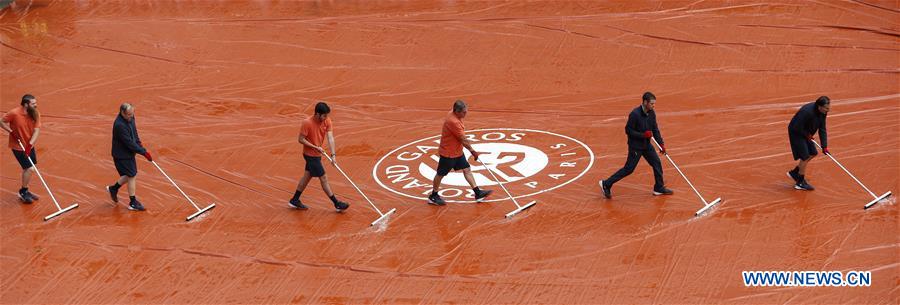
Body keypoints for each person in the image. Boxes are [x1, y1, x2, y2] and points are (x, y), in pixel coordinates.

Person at [600, 92, 674, 199]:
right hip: (636, 146)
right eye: (652, 104)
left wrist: (661, 144)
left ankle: (658, 187)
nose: (653, 106)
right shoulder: (634, 114)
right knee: (629, 169)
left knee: (656, 163)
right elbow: (628, 131)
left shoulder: (652, 113)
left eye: (654, 104)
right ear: (645, 102)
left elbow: (655, 129)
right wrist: (643, 135)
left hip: (647, 145)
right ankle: (606, 184)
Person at [427, 100, 493, 205]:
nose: (465, 114)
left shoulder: (454, 114)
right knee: (440, 174)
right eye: (464, 112)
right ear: (457, 111)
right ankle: (433, 196)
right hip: (448, 153)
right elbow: (463, 140)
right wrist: (472, 151)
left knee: (467, 169)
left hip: (457, 151)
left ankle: (477, 193)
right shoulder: (454, 122)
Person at [289, 101, 350, 212]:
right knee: (324, 178)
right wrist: (315, 147)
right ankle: (336, 203)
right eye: (324, 115)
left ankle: (295, 199)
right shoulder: (307, 123)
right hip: (310, 155)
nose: (326, 118)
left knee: (307, 176)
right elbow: (300, 139)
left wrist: (333, 155)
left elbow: (330, 137)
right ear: (317, 114)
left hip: (317, 154)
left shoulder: (327, 121)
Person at [106, 103, 152, 211]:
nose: (131, 117)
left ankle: (113, 189)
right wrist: (143, 152)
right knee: (132, 175)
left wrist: (139, 144)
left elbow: (134, 133)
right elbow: (129, 143)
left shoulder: (130, 117)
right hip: (121, 155)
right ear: (122, 113)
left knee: (130, 174)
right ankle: (133, 202)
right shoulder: (119, 125)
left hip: (129, 153)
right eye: (128, 115)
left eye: (132, 114)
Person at [1, 94, 42, 203]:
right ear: (26, 104)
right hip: (18, 146)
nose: (36, 105)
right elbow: (1, 121)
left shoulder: (35, 113)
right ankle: (23, 191)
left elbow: (37, 131)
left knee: (27, 169)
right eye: (33, 103)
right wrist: (11, 132)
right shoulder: (14, 113)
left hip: (29, 145)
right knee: (30, 169)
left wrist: (30, 145)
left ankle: (25, 190)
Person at [787, 96, 830, 191]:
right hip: (796, 132)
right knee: (805, 156)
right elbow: (796, 126)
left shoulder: (823, 112)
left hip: (806, 132)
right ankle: (800, 182)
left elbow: (822, 129)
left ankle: (795, 172)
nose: (828, 110)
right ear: (820, 106)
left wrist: (824, 146)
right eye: (826, 108)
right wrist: (807, 135)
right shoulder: (806, 112)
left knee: (813, 153)